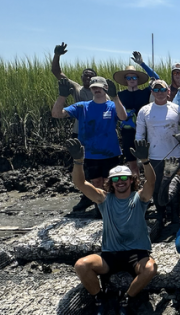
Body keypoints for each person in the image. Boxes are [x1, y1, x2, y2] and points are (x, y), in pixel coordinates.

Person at [67, 139, 157, 315]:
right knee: (81, 265)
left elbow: (151, 183)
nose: (120, 182)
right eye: (116, 179)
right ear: (111, 182)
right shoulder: (104, 199)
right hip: (110, 255)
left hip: (136, 255)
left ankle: (126, 299)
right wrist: (78, 162)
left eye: (124, 178)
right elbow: (80, 183)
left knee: (151, 268)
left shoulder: (139, 198)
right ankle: (100, 298)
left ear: (131, 180)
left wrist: (145, 161)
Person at [51, 75, 128, 214]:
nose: (96, 89)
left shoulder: (112, 105)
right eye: (94, 87)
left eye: (99, 87)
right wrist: (62, 96)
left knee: (110, 183)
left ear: (106, 88)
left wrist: (115, 97)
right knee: (96, 183)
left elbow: (123, 117)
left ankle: (112, 209)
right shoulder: (82, 107)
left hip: (110, 152)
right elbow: (56, 114)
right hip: (90, 153)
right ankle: (100, 209)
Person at [51, 42, 104, 213]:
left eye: (91, 76)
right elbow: (57, 73)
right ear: (81, 78)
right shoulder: (77, 89)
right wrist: (57, 55)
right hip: (80, 133)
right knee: (82, 166)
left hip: (98, 135)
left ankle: (96, 198)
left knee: (98, 168)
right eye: (85, 75)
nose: (88, 77)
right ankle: (86, 197)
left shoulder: (102, 92)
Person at [135, 79, 180, 229]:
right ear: (152, 92)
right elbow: (139, 134)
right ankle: (160, 214)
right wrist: (141, 151)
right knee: (156, 186)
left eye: (162, 90)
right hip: (153, 157)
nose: (159, 93)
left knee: (174, 187)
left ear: (168, 92)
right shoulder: (144, 110)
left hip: (174, 156)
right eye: (156, 90)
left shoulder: (177, 108)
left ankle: (175, 215)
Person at [112, 64, 152, 176]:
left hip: (145, 131)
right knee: (132, 164)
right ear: (125, 80)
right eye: (128, 78)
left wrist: (143, 64)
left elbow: (158, 80)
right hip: (127, 132)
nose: (132, 80)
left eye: (134, 77)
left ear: (138, 79)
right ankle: (136, 187)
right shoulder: (119, 95)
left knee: (148, 162)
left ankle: (150, 187)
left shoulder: (146, 92)